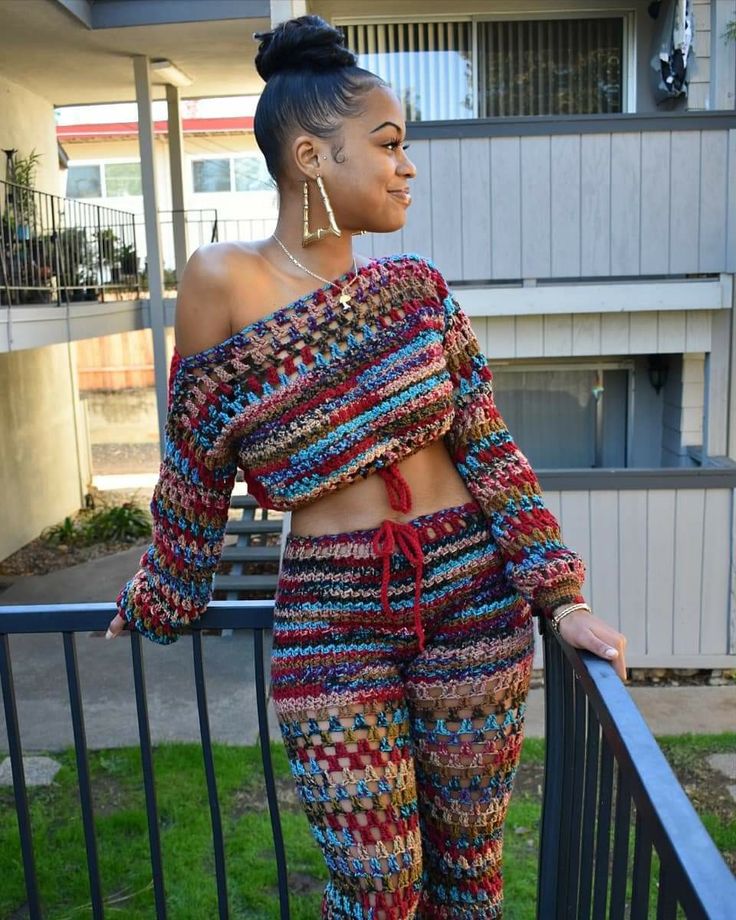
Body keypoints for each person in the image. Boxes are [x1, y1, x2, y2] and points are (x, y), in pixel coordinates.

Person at [107, 15, 627, 919]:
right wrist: (163, 591)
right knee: (376, 891)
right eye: (387, 145)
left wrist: (562, 599)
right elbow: (193, 471)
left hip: (471, 597)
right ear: (311, 155)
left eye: (405, 147)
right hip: (332, 615)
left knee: (469, 885)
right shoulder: (219, 280)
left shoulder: (417, 293)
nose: (407, 166)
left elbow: (493, 455)